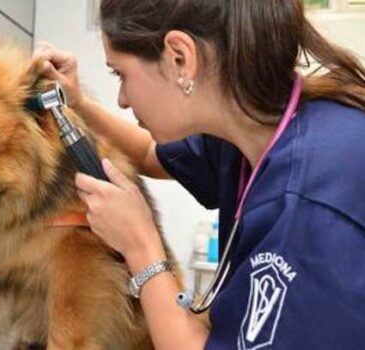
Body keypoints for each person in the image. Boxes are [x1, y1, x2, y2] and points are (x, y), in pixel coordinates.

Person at [33, 0, 365, 349]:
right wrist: (79, 103)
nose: (123, 99)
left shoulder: (309, 211)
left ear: (180, 57)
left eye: (122, 75)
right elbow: (150, 154)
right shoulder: (259, 126)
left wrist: (139, 244)